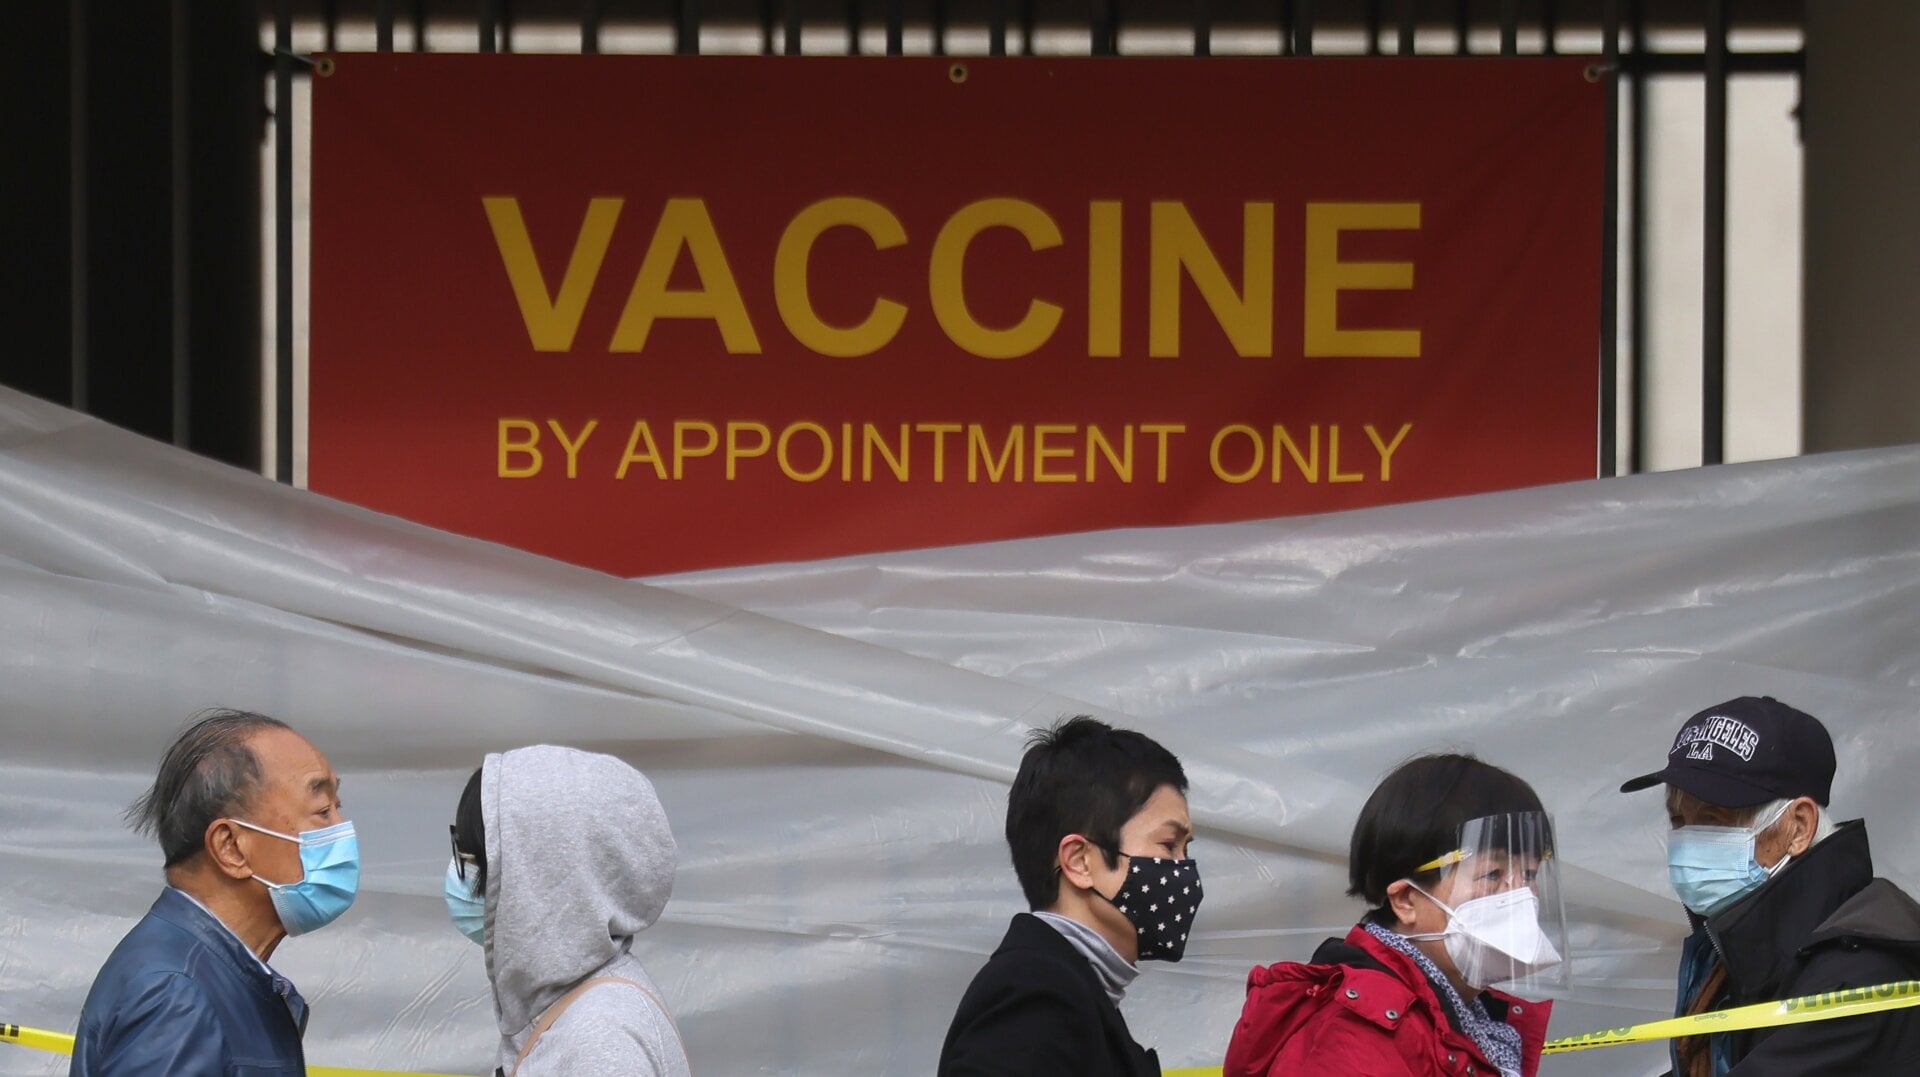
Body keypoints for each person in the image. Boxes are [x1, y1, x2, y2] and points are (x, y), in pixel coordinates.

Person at [1619, 695, 1920, 1076]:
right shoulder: (1745, 945)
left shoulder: (1860, 975)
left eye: (1713, 819)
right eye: (1679, 821)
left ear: (1798, 827)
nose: (1688, 841)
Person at [1225, 754, 1561, 1077]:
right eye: (1492, 874)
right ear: (1406, 900)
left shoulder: (1473, 1022)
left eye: (1529, 874)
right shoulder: (1355, 1035)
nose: (1520, 895)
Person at [71, 709, 353, 1076]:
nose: (342, 830)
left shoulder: (211, 976)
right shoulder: (177, 997)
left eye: (338, 808)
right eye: (322, 810)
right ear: (231, 848)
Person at [939, 715, 1197, 1076]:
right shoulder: (1035, 993)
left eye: (1186, 850)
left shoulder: (1075, 991)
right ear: (1079, 861)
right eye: (1169, 845)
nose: (1184, 869)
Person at [442, 744, 690, 1077]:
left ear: (538, 876)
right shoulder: (563, 1012)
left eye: (475, 860)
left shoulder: (601, 1043)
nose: (462, 877)